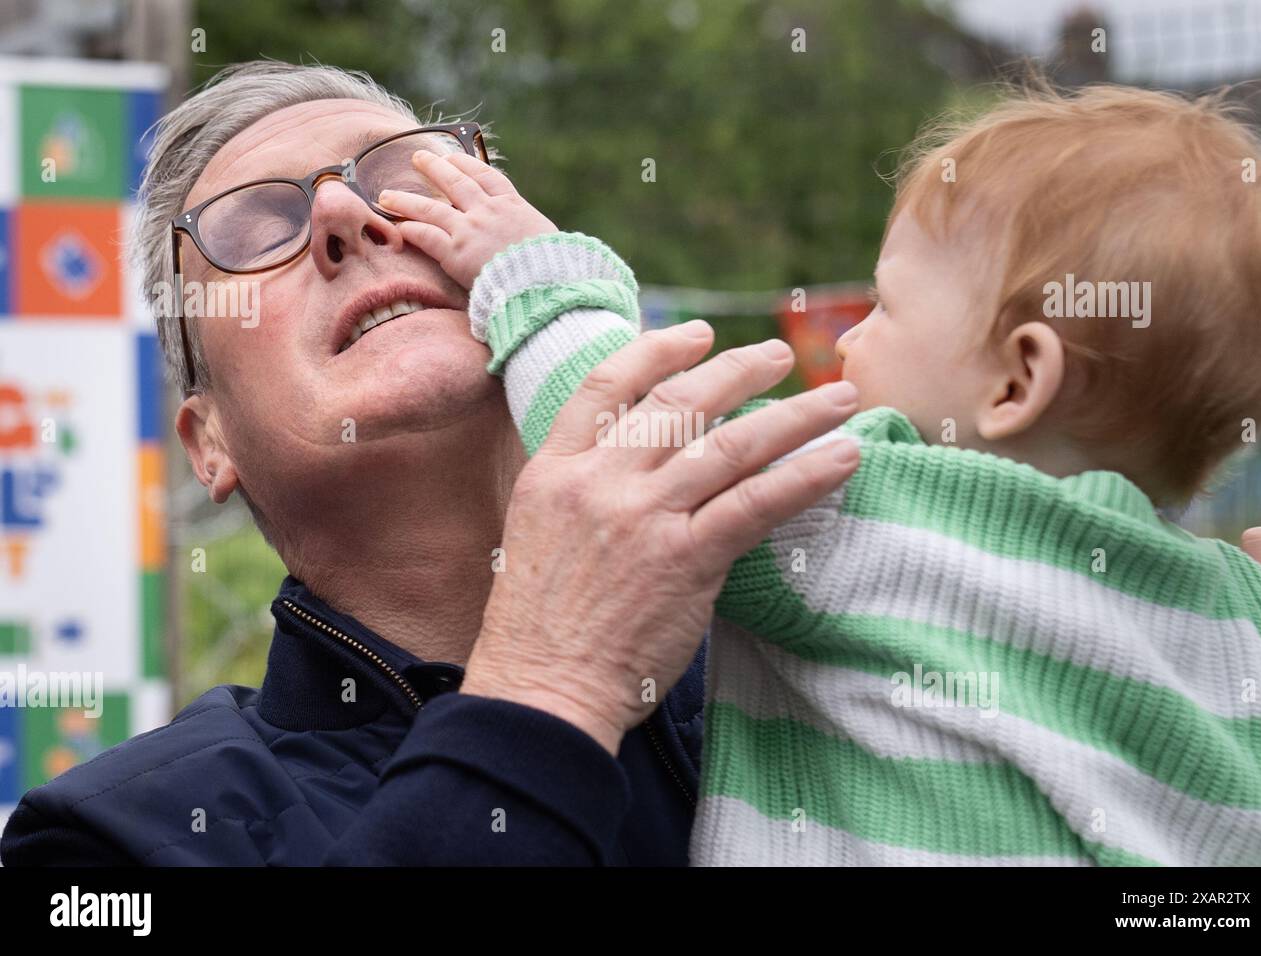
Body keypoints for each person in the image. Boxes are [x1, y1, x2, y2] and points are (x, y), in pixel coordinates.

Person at [381, 82, 1261, 865]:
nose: (850, 339)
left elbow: (635, 439)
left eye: (886, 307)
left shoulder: (864, 509)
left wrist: (530, 272)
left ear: (1020, 379)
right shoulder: (1252, 616)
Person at [0, 60, 861, 865]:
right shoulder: (104, 842)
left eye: (409, 183)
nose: (347, 215)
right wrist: (554, 682)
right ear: (209, 441)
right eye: (258, 230)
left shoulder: (812, 641)